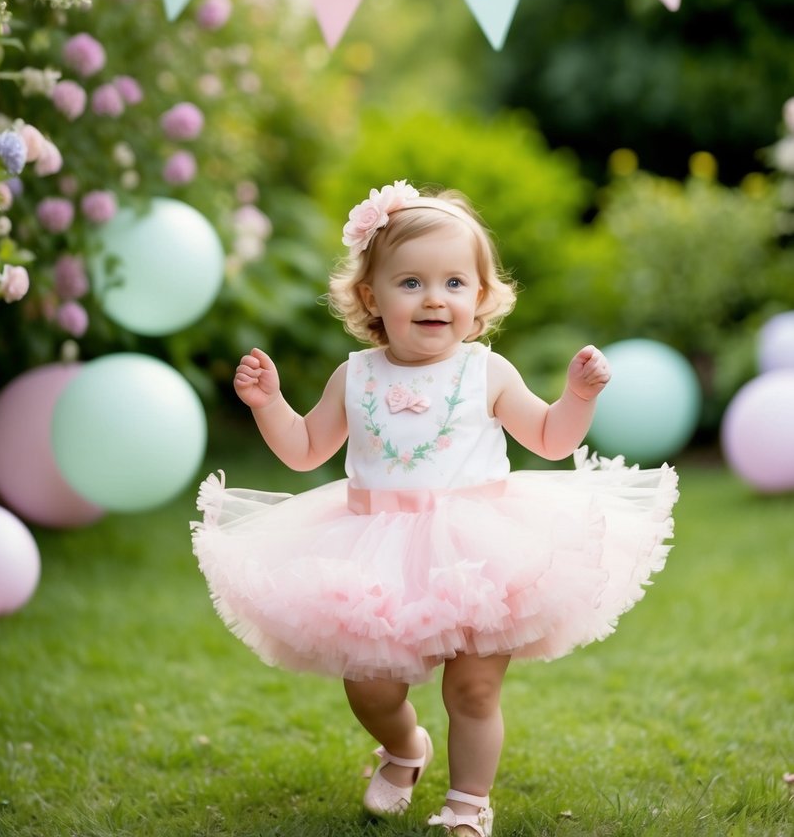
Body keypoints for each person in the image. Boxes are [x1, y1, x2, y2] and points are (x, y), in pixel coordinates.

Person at [192, 181, 679, 837]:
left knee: (473, 689)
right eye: (411, 282)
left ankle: (468, 803)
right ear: (371, 296)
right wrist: (268, 405)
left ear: (479, 298)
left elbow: (549, 439)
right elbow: (306, 450)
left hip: (477, 549)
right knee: (370, 686)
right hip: (374, 550)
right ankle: (403, 748)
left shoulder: (488, 372)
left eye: (454, 283)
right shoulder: (355, 375)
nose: (433, 298)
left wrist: (575, 397)